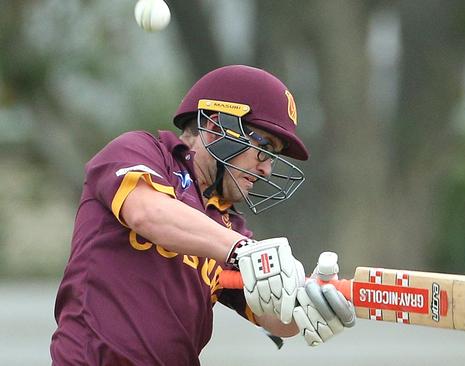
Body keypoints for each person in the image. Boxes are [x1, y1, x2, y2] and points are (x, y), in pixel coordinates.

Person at [50, 65, 355, 365]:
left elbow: (270, 315)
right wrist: (243, 250)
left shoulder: (228, 225)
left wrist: (307, 303)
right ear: (214, 127)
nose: (266, 169)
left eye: (273, 156)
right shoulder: (139, 151)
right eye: (263, 147)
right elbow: (146, 213)